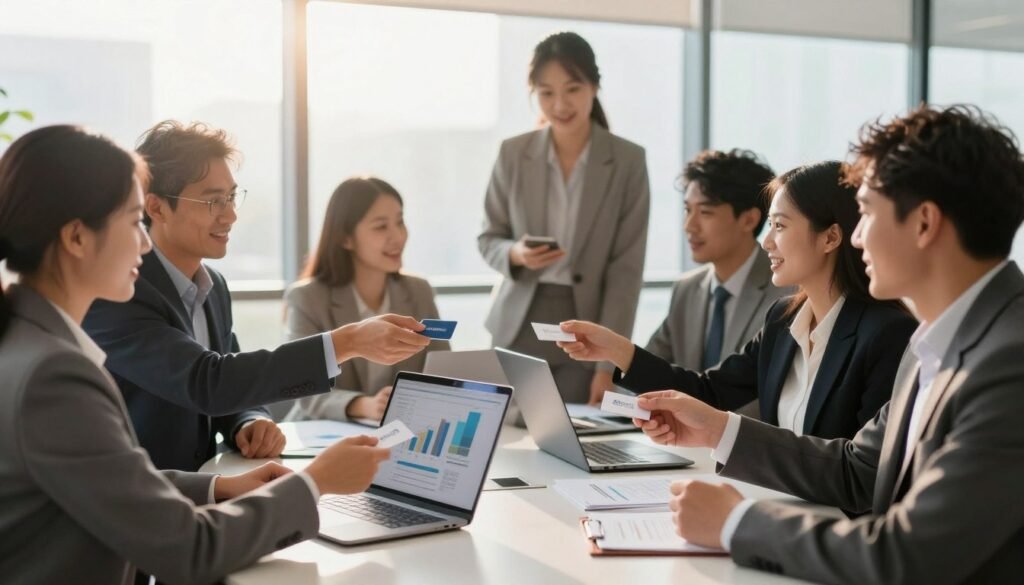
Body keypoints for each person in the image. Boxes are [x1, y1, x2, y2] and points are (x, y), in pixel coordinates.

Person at [636, 105, 1024, 583]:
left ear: (924, 223)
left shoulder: (1009, 364)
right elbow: (858, 469)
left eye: (866, 213)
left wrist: (736, 523)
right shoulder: (937, 342)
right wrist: (719, 429)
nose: (857, 238)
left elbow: (909, 556)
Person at [0, 125, 393, 584]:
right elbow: (191, 549)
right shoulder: (54, 375)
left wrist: (217, 485)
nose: (143, 243)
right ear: (76, 238)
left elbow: (110, 481)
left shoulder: (29, 343)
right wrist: (316, 482)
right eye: (132, 223)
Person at [83, 121, 429, 471]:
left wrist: (248, 421)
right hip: (135, 500)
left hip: (200, 491)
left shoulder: (213, 287)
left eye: (231, 197)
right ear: (156, 208)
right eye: (212, 201)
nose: (230, 215)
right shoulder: (120, 291)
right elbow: (207, 382)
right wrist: (348, 341)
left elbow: (231, 381)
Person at [559, 161, 917, 440]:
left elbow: (859, 469)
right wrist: (617, 349)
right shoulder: (782, 321)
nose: (766, 243)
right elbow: (710, 391)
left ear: (830, 237)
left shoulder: (886, 334)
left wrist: (727, 437)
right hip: (772, 501)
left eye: (779, 226)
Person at [478, 31, 650, 405]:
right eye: (546, 92)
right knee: (505, 437)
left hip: (586, 327)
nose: (560, 104)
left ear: (594, 85)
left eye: (572, 88)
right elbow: (489, 238)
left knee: (575, 439)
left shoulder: (628, 161)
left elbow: (626, 271)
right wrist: (516, 254)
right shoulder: (513, 153)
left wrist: (608, 366)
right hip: (518, 321)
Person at [284, 177, 448, 422]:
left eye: (400, 222)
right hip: (321, 435)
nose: (398, 237)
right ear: (346, 238)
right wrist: (364, 405)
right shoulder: (307, 298)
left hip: (399, 432)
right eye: (381, 227)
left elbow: (442, 371)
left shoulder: (418, 291)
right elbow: (304, 388)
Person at [646, 149, 791, 372]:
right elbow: (647, 371)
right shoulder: (686, 289)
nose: (689, 226)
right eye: (687, 210)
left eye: (705, 212)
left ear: (749, 220)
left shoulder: (787, 291)